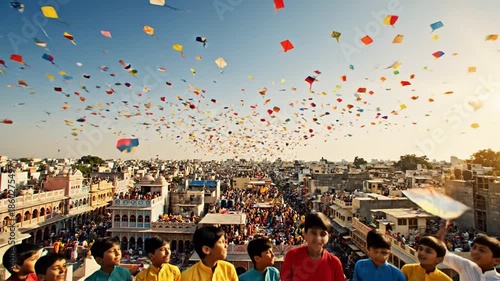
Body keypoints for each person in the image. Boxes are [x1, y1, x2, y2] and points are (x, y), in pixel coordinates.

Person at [281, 211, 345, 281]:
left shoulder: (334, 262)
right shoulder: (292, 256)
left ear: (328, 236)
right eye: (313, 233)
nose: (318, 238)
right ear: (304, 234)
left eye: (323, 234)